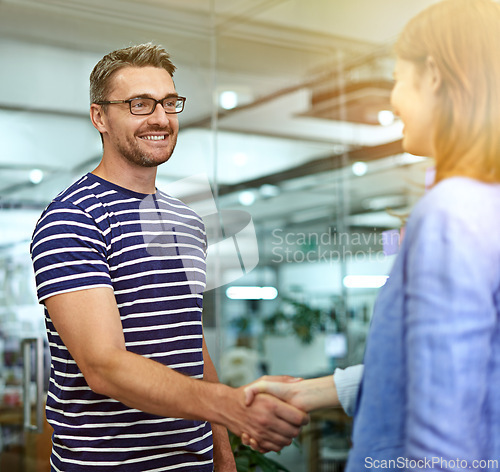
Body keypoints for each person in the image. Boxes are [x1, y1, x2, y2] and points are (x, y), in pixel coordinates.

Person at [245, 1, 500, 470]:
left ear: (435, 76)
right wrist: (307, 392)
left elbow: (445, 431)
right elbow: (434, 370)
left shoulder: (451, 211)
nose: (394, 100)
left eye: (399, 79)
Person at [30, 43, 308, 472]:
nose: (160, 118)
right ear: (99, 117)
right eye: (139, 104)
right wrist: (228, 404)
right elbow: (103, 368)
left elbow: (190, 339)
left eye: (168, 103)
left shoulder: (188, 220)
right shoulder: (73, 217)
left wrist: (223, 453)